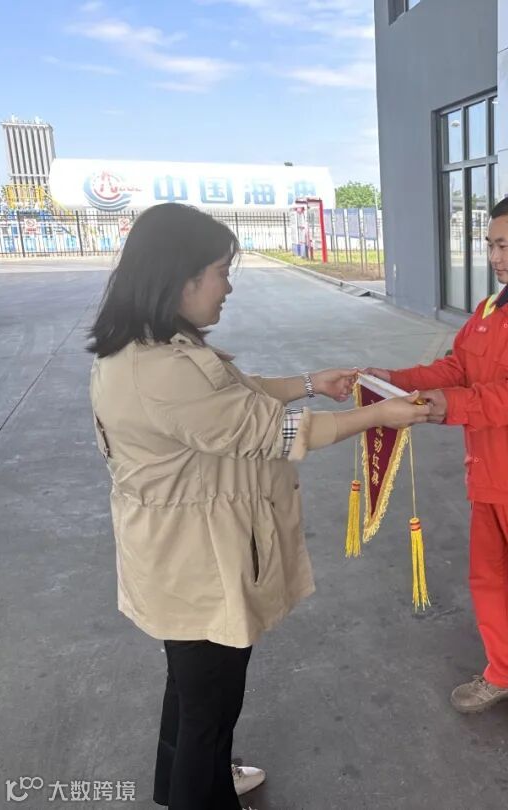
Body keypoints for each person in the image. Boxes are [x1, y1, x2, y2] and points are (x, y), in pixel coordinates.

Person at [87, 203, 429, 810]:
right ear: (181, 278)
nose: (228, 286)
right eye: (221, 272)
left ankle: (178, 783)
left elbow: (236, 396)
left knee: (189, 691)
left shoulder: (147, 349)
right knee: (210, 712)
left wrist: (310, 382)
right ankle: (200, 789)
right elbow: (273, 432)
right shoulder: (163, 370)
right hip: (196, 562)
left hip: (172, 557)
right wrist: (377, 415)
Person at [363, 194, 508, 746]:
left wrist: (449, 406)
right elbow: (456, 368)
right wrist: (392, 379)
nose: (493, 256)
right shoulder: (491, 312)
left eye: (502, 245)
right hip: (487, 473)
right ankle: (507, 672)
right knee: (492, 581)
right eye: (489, 245)